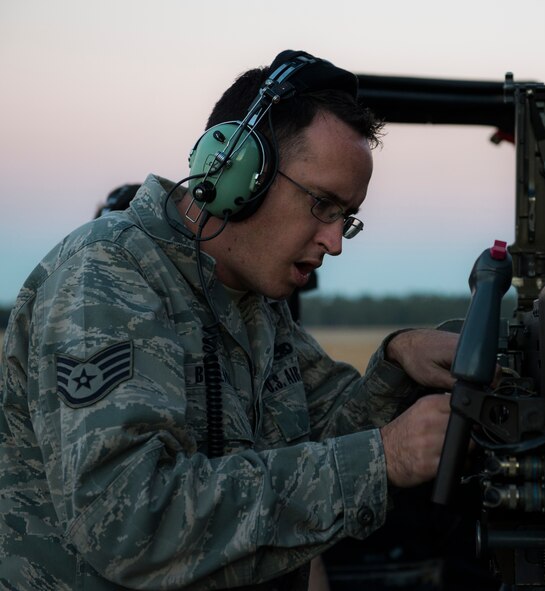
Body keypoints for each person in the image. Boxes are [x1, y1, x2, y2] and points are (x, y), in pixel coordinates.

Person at [0, 50, 459, 590]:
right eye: (323, 205)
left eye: (346, 218)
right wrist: (382, 461)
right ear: (238, 169)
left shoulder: (251, 301)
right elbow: (129, 524)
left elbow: (325, 439)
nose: (334, 242)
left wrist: (399, 360)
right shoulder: (105, 277)